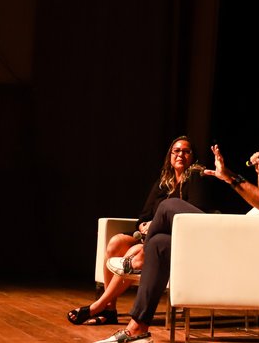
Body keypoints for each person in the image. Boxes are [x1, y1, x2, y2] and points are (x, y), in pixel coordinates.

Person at [90, 109, 259, 343]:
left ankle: (139, 259)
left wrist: (231, 178)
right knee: (160, 244)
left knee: (168, 206)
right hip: (245, 245)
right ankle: (137, 330)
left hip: (243, 248)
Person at [67, 136, 207, 327]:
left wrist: (156, 225)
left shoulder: (195, 179)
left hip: (170, 236)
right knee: (116, 242)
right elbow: (143, 216)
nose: (180, 154)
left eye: (186, 151)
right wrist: (143, 225)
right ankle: (110, 309)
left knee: (133, 251)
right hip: (146, 234)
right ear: (170, 155)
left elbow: (194, 215)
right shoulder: (163, 182)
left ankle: (98, 306)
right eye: (176, 151)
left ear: (192, 156)